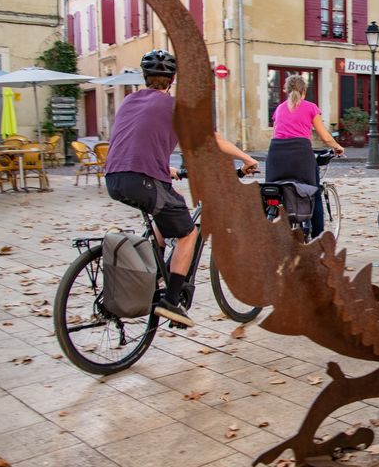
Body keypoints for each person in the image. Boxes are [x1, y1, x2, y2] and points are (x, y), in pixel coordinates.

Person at [105, 49, 259, 327]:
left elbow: (137, 141)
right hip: (143, 179)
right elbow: (212, 138)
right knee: (188, 232)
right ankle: (171, 302)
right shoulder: (175, 106)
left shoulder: (129, 101)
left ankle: (152, 274)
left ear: (145, 77)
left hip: (115, 177)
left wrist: (166, 168)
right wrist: (246, 159)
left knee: (164, 214)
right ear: (172, 79)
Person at [266, 74, 344, 237]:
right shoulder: (310, 108)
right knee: (314, 193)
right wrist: (337, 147)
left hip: (275, 156)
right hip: (301, 155)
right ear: (304, 91)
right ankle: (318, 239)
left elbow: (275, 134)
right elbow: (325, 137)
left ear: (286, 90)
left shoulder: (279, 109)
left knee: (277, 192)